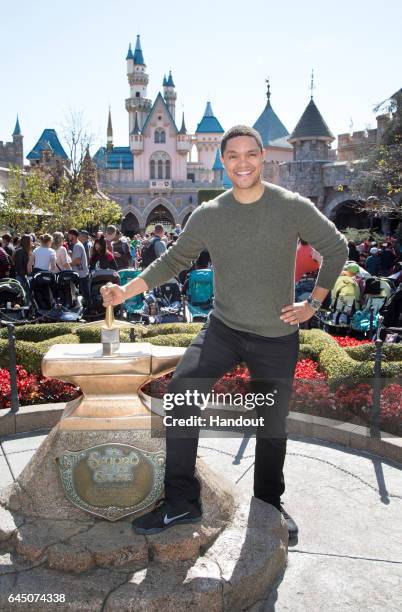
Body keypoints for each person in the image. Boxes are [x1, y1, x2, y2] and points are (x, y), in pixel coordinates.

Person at [101, 125, 348, 540]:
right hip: (224, 328)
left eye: (250, 154)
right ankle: (181, 502)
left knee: (272, 423)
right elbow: (171, 262)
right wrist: (125, 290)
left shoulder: (291, 206)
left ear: (262, 158)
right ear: (224, 160)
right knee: (181, 395)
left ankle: (269, 504)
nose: (243, 162)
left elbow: (337, 247)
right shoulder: (210, 214)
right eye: (233, 155)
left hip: (275, 334)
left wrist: (314, 303)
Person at [67, 228, 90, 307]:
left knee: (84, 295)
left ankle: (87, 310)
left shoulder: (77, 245)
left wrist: (67, 265)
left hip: (81, 274)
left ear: (73, 235)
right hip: (81, 274)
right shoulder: (77, 245)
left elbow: (77, 261)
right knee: (83, 294)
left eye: (69, 235)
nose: (68, 237)